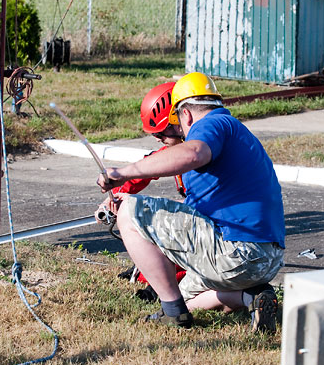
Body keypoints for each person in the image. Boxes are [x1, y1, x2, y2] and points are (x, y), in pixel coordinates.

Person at [97, 72, 285, 332]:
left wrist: (123, 174)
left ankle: (172, 313)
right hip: (266, 260)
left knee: (130, 210)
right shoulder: (235, 132)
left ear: (185, 114)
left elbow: (194, 153)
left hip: (238, 252)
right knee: (185, 297)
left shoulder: (212, 125)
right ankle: (252, 297)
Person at [97, 81, 187, 298]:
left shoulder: (199, 152)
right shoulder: (177, 148)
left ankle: (163, 285)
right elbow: (146, 169)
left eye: (162, 133)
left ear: (179, 120)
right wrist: (115, 194)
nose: (158, 139)